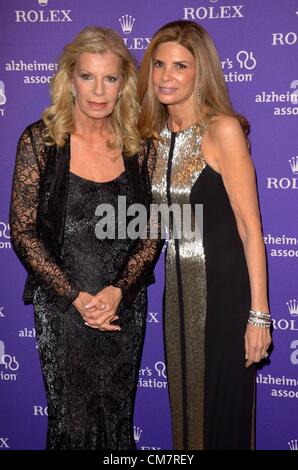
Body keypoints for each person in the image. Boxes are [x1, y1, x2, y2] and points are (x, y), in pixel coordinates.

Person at [10, 26, 161, 450]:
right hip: (62, 307)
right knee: (70, 424)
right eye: (88, 77)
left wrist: (117, 291)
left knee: (117, 420)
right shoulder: (41, 141)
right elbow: (23, 231)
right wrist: (75, 296)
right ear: (70, 80)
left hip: (122, 307)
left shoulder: (139, 146)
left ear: (123, 85)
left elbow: (151, 232)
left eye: (110, 78)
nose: (99, 90)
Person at [138, 20, 272, 450]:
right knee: (188, 420)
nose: (165, 76)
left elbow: (252, 230)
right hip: (177, 297)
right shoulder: (151, 139)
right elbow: (150, 227)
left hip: (225, 297)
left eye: (180, 66)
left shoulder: (223, 130)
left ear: (201, 73)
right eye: (159, 64)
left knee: (222, 418)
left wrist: (259, 315)